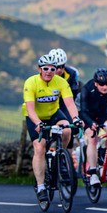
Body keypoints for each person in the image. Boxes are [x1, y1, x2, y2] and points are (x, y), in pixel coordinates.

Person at [22, 53, 84, 203]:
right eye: (45, 68)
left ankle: (60, 156)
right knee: (39, 147)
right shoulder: (31, 82)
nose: (49, 71)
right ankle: (41, 186)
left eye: (52, 68)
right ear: (39, 69)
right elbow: (30, 109)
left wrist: (76, 119)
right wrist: (38, 123)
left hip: (53, 113)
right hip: (35, 117)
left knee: (67, 129)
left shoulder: (61, 82)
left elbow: (69, 103)